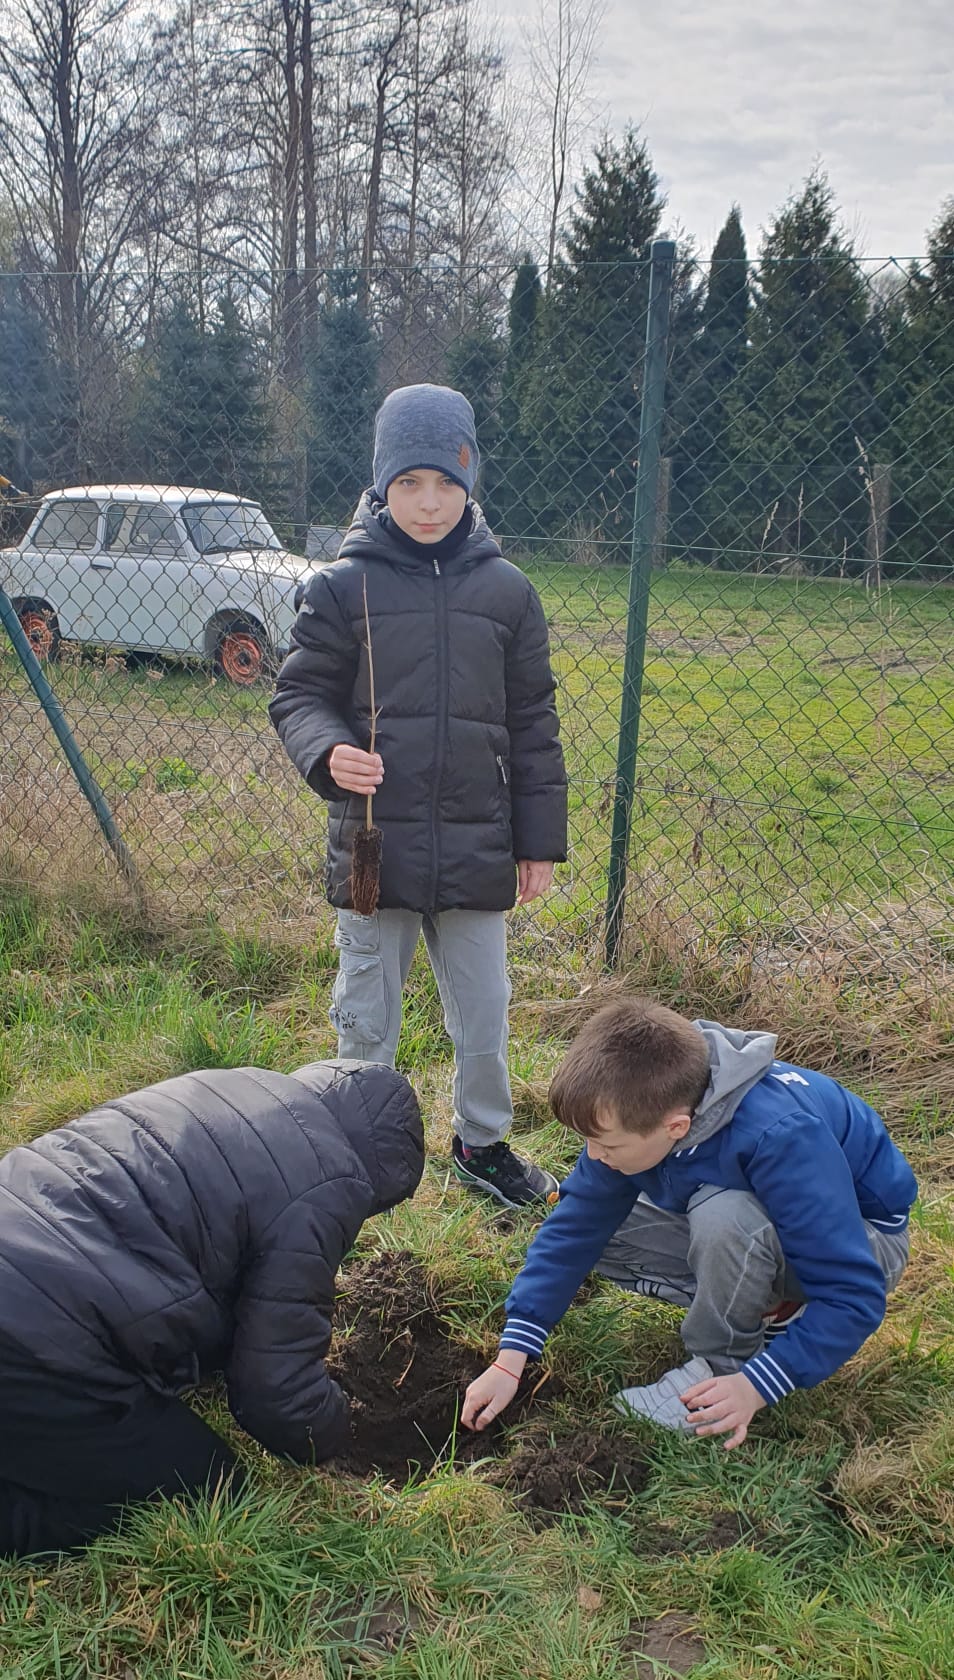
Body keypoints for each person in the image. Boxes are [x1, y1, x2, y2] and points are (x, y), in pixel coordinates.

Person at [269, 382, 568, 1209]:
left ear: (472, 481)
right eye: (409, 484)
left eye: (446, 481)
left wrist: (537, 841)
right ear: (380, 488)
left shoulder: (509, 593)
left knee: (485, 1015)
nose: (428, 503)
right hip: (377, 849)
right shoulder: (341, 587)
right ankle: (353, 1148)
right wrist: (327, 750)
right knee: (366, 1011)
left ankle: (482, 1144)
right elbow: (298, 697)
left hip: (478, 845)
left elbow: (534, 723)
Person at [0, 1060, 424, 1557]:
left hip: (23, 1242)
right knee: (209, 1487)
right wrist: (338, 1429)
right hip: (32, 1342)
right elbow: (274, 1397)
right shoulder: (331, 1180)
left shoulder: (234, 1084)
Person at [462, 997, 916, 1448]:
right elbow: (574, 1228)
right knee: (601, 1232)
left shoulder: (782, 1135)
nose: (594, 1156)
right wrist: (512, 1357)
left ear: (676, 1128)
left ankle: (721, 1367)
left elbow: (854, 1293)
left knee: (725, 1215)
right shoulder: (650, 1100)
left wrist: (757, 1385)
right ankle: (769, 1308)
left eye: (607, 1145)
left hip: (864, 1242)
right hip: (771, 1229)